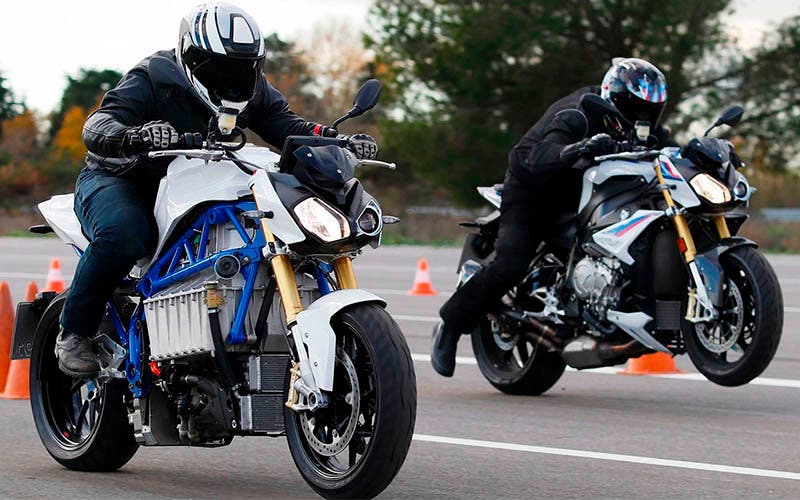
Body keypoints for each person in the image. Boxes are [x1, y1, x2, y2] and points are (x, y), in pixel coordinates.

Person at [55, 2, 378, 377]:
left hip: (198, 180)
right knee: (124, 234)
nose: (231, 77)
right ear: (191, 57)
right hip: (123, 178)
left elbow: (286, 126)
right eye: (220, 67)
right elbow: (99, 122)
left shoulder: (254, 90)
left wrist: (338, 141)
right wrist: (132, 136)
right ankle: (74, 332)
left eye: (241, 67)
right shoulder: (153, 77)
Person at [431, 58, 673, 377]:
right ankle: (450, 326)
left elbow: (670, 149)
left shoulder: (641, 128)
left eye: (649, 110)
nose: (643, 117)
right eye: (636, 107)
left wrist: (704, 154)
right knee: (510, 264)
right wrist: (578, 148)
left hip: (583, 193)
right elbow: (537, 155)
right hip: (534, 189)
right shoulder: (578, 112)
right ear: (615, 96)